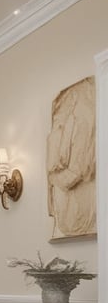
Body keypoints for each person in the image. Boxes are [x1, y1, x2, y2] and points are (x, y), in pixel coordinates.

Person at [46, 76, 96, 238]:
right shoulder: (64, 119)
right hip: (68, 216)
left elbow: (77, 170)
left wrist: (56, 178)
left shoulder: (84, 117)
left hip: (80, 212)